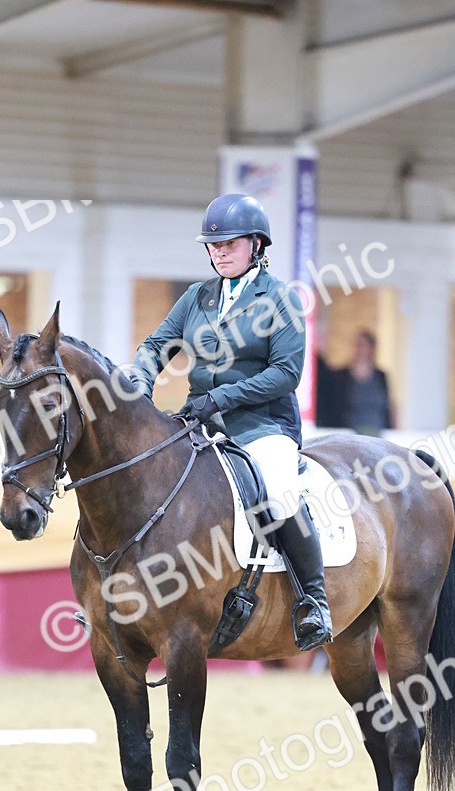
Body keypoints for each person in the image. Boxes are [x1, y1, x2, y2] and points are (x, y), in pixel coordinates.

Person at [129, 192, 333, 652]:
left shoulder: (280, 299)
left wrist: (220, 398)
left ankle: (313, 601)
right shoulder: (197, 298)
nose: (219, 252)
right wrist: (139, 382)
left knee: (279, 491)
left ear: (257, 244)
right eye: (214, 245)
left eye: (230, 244)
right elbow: (156, 346)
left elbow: (285, 374)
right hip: (199, 422)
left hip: (262, 426)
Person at [315, 329, 393, 434]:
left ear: (371, 348)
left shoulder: (380, 376)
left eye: (363, 345)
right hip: (348, 432)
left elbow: (388, 406)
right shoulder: (341, 376)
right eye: (357, 345)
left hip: (378, 430)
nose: (360, 349)